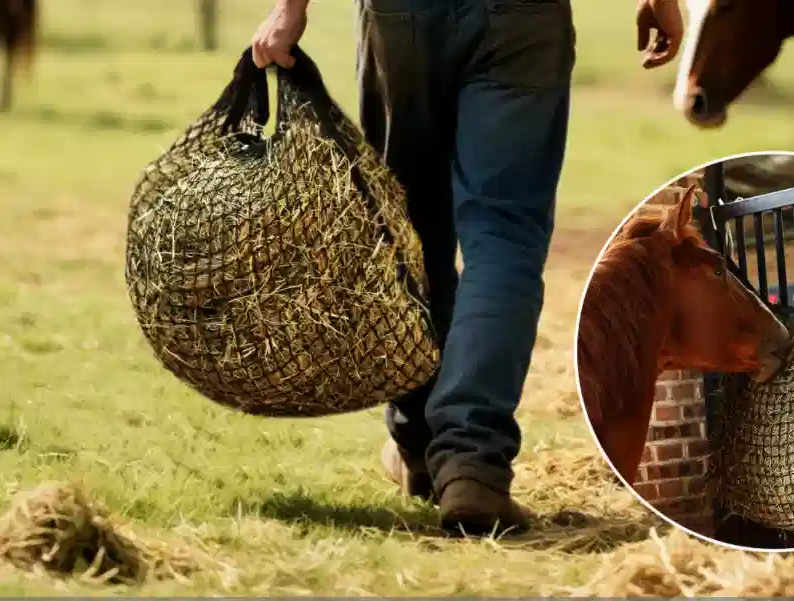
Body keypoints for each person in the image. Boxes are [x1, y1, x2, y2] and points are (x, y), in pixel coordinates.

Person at [251, 0, 685, 536]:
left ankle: (420, 446)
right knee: (503, 236)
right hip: (524, 20)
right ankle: (470, 459)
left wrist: (289, 8)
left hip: (404, 17)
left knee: (410, 228)